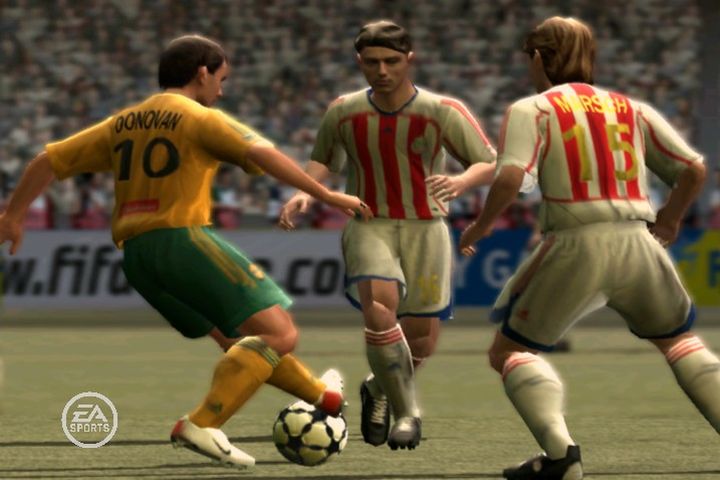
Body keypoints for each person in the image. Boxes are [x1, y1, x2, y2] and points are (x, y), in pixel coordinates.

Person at [0, 34, 373, 469]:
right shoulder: (197, 118)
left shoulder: (123, 123)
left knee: (241, 343)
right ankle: (201, 424)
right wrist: (327, 195)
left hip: (137, 257)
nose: (222, 91)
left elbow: (47, 160)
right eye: (221, 79)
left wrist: (13, 216)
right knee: (280, 334)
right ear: (202, 72)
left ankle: (324, 398)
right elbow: (263, 154)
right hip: (181, 241)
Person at [459, 17, 716, 480]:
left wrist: (480, 226)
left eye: (530, 57)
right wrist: (670, 219)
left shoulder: (533, 109)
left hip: (576, 241)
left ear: (539, 57)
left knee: (509, 353)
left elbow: (511, 176)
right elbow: (693, 169)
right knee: (678, 341)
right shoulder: (631, 109)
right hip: (639, 241)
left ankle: (562, 457)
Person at [279, 20, 496, 450]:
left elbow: (488, 161)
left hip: (426, 228)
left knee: (421, 342)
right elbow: (323, 160)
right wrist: (306, 192)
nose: (382, 70)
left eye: (392, 61)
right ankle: (407, 414)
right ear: (359, 62)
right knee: (378, 309)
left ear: (409, 60)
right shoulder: (343, 110)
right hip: (369, 222)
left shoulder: (442, 110)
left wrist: (462, 181)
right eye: (372, 62)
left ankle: (377, 388)